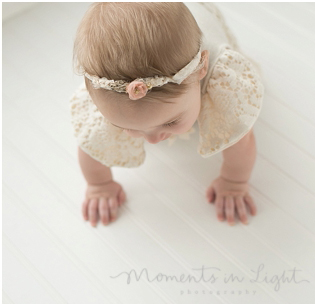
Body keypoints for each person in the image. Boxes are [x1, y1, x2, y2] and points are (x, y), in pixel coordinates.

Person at [71, 3, 262, 227]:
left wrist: (233, 182)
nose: (152, 140)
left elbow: (241, 140)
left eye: (170, 121)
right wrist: (99, 185)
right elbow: (90, 143)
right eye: (126, 126)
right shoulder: (107, 92)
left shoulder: (216, 75)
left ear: (201, 69)